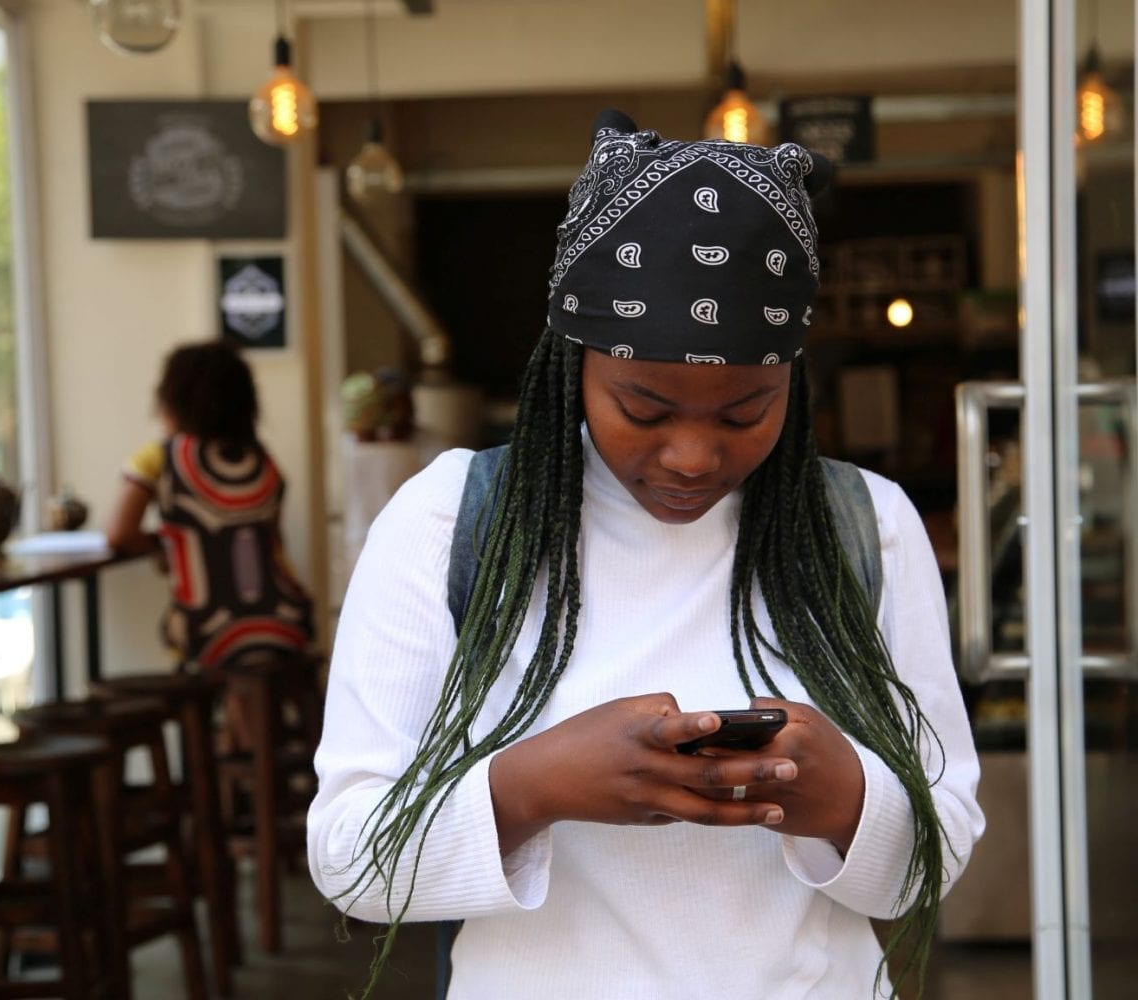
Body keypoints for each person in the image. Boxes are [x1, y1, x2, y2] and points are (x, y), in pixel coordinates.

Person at [307, 111, 984, 999]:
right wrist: (533, 786)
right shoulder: (451, 523)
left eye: (747, 413)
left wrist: (849, 796)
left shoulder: (866, 525)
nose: (693, 456)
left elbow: (943, 846)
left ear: (794, 381)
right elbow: (352, 861)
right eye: (646, 409)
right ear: (573, 363)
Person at [106, 339, 315, 743]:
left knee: (219, 660)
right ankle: (256, 772)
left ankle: (234, 774)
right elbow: (269, 548)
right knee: (249, 672)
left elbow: (118, 532)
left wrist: (164, 545)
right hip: (285, 622)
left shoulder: (159, 457)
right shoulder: (261, 460)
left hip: (206, 629)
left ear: (171, 402)